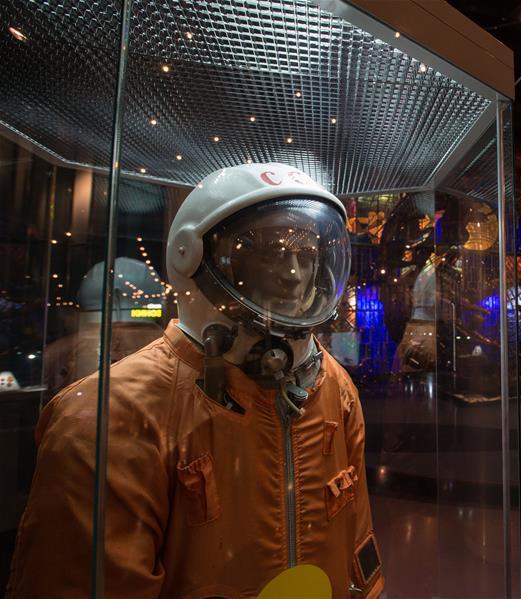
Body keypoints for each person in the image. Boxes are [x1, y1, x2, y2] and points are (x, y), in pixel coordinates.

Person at [7, 163, 384, 597]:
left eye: (307, 255)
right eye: (270, 253)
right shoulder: (109, 416)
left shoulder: (333, 386)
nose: (295, 275)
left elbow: (358, 553)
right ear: (195, 258)